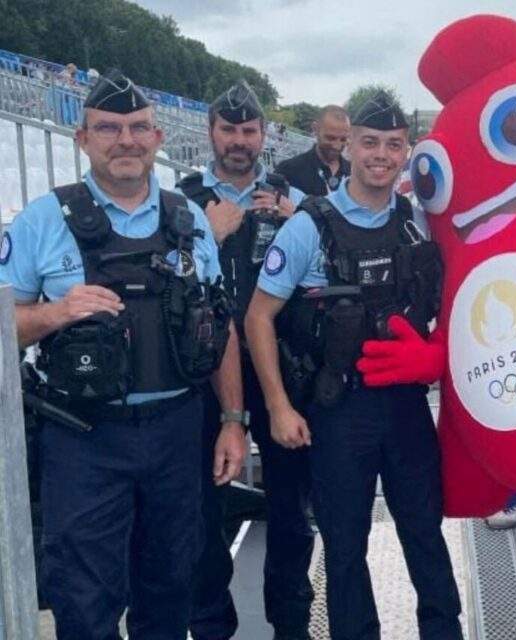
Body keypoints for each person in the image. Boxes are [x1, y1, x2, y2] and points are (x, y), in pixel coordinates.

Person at [0, 69, 246, 640]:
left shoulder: (189, 221)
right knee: (84, 601)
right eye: (108, 128)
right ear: (81, 139)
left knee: (168, 590)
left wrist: (233, 421)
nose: (126, 140)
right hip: (84, 437)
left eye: (138, 127)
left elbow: (221, 327)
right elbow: (4, 326)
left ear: (158, 139)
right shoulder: (43, 220)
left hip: (176, 432)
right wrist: (53, 314)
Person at [245, 91, 463, 640]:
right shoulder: (309, 227)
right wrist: (276, 406)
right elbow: (258, 318)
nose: (382, 155)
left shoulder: (418, 222)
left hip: (407, 406)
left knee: (424, 534)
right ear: (352, 147)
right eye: (370, 142)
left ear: (407, 151)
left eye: (394, 145)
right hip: (339, 410)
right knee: (345, 546)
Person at [176, 81, 311, 640]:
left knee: (291, 503)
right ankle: (211, 623)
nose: (238, 140)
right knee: (203, 501)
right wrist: (206, 233)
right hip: (206, 370)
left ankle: (292, 618)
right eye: (228, 130)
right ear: (211, 133)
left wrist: (293, 220)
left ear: (263, 137)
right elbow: (160, 274)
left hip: (279, 366)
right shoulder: (181, 200)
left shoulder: (293, 198)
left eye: (248, 130)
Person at [274, 105, 351, 195]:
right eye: (331, 138)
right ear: (315, 129)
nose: (337, 146)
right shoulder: (288, 170)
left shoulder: (355, 174)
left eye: (343, 139)